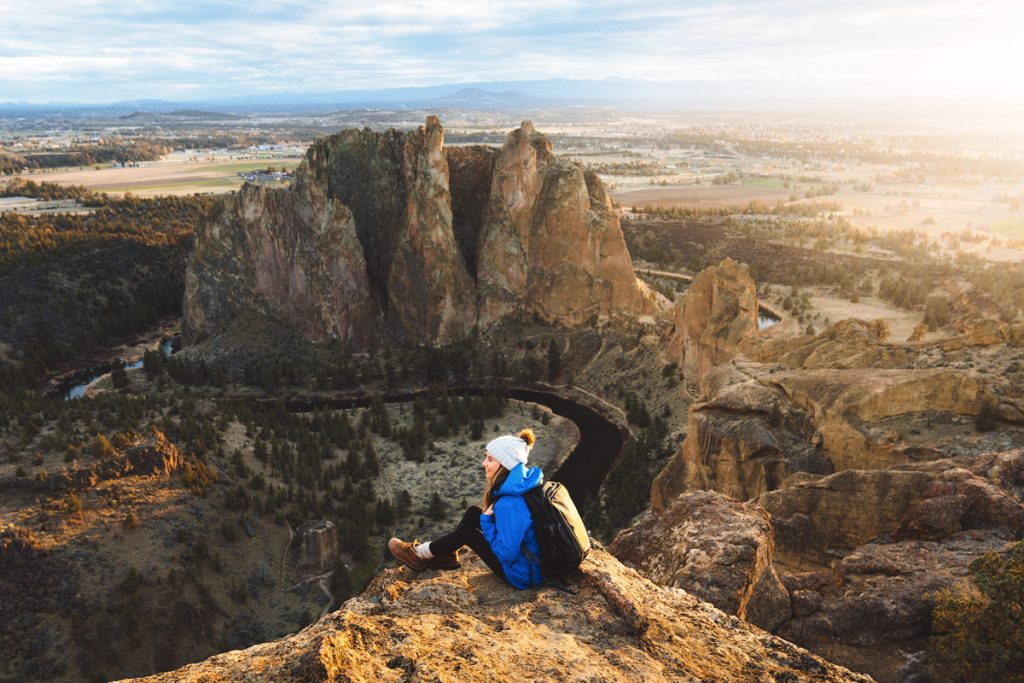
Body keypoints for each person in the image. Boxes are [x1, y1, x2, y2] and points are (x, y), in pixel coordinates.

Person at [388, 428, 544, 589]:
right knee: (473, 513)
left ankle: (419, 555)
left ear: (505, 465)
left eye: (490, 459)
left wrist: (487, 524)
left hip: (521, 576)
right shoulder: (523, 484)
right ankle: (445, 555)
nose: (484, 463)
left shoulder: (509, 504)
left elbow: (506, 554)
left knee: (466, 532)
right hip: (531, 564)